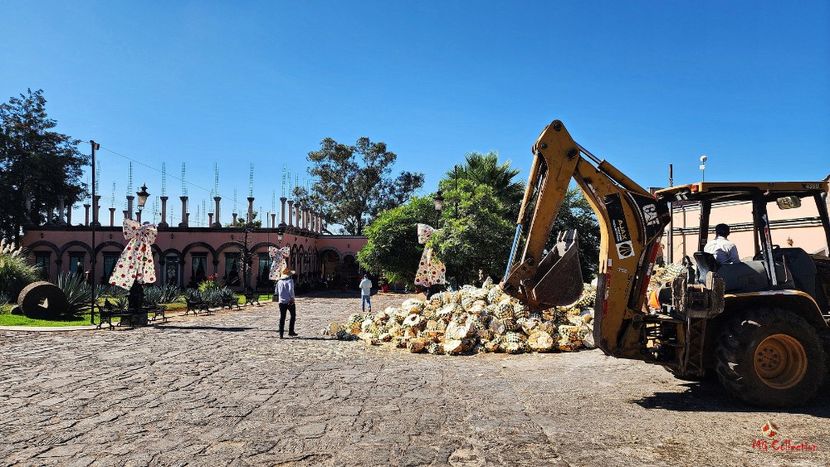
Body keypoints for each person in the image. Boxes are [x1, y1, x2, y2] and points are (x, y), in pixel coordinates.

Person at [275, 267, 297, 338]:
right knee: (293, 316)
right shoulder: (290, 281)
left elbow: (276, 292)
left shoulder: (279, 282)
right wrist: (292, 298)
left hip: (281, 302)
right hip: (289, 301)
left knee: (282, 317)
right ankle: (291, 331)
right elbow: (291, 290)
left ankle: (281, 334)